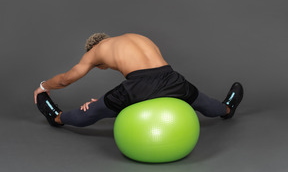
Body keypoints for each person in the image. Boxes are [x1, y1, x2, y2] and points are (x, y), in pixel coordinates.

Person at [34, 33, 244, 127]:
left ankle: (56, 117)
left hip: (139, 86)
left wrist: (43, 86)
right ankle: (227, 109)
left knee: (92, 112)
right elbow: (154, 73)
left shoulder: (95, 52)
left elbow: (65, 80)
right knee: (202, 102)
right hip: (171, 78)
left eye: (101, 67)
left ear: (94, 49)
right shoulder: (136, 37)